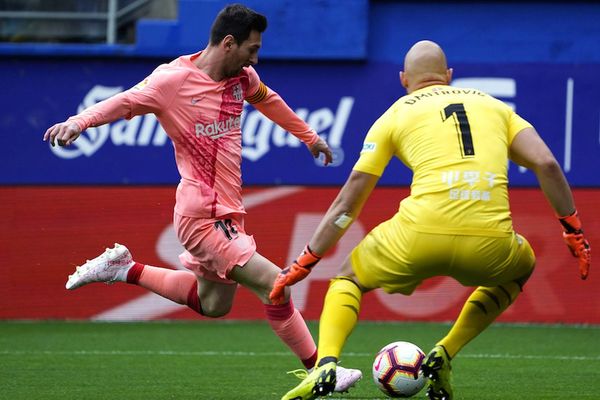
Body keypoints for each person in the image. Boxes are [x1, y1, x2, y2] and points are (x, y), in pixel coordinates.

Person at [43, 3, 361, 393]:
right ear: (229, 43)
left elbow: (268, 99)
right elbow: (124, 102)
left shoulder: (241, 78)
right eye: (251, 49)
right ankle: (320, 368)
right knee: (277, 284)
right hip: (202, 216)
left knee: (213, 305)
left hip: (229, 213)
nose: (255, 58)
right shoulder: (171, 81)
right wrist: (79, 121)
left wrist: (309, 137)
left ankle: (125, 269)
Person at [272, 40, 591, 400]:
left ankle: (327, 364)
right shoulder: (496, 107)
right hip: (489, 243)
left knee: (348, 278)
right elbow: (547, 163)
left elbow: (349, 201)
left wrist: (307, 260)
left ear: (404, 79)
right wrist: (573, 229)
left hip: (416, 237)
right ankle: (446, 352)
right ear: (449, 76)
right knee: (521, 267)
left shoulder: (394, 114)